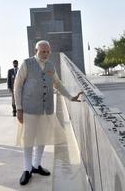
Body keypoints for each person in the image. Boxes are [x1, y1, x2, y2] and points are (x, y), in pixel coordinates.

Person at [14, 40, 83, 185]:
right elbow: (18, 86)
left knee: (42, 137)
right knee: (29, 139)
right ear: (35, 51)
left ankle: (36, 165)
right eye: (42, 51)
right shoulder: (27, 63)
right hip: (29, 109)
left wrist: (70, 97)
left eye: (47, 52)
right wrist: (19, 108)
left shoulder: (51, 66)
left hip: (47, 108)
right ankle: (27, 169)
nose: (45, 54)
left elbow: (57, 83)